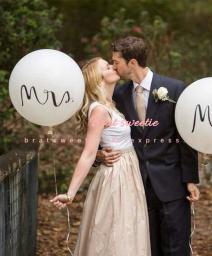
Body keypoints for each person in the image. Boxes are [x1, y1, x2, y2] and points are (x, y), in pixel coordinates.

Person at [96, 36, 200, 256]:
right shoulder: (119, 94)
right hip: (135, 183)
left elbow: (186, 136)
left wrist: (190, 179)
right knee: (146, 246)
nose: (113, 65)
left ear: (132, 62)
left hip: (171, 182)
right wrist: (99, 155)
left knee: (176, 246)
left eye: (116, 61)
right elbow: (104, 131)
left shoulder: (174, 88)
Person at [50, 57, 151, 256]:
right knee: (115, 233)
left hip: (128, 173)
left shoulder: (111, 106)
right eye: (107, 66)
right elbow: (87, 154)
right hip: (116, 177)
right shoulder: (99, 110)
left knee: (128, 231)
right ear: (97, 79)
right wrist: (70, 193)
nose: (114, 66)